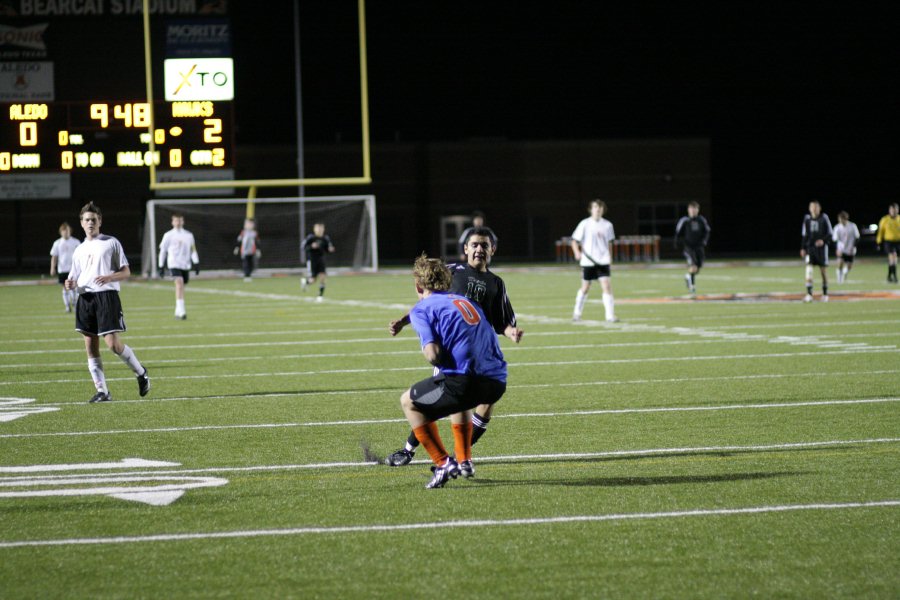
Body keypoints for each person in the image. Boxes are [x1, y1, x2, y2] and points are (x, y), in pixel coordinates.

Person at [386, 227, 523, 468]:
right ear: (465, 249)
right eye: (475, 244)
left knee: (482, 405)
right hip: (453, 352)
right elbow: (429, 300)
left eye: (484, 245)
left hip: (482, 351)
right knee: (437, 403)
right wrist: (404, 321)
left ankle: (460, 457)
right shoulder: (452, 272)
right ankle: (410, 449)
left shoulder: (496, 284)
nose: (479, 249)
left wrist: (511, 331)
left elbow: (502, 320)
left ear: (493, 250)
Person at [398, 253, 507, 489]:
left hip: (467, 381)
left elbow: (433, 355)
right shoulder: (465, 301)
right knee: (461, 402)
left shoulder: (421, 309)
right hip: (497, 382)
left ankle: (443, 463)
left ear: (418, 285)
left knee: (408, 401)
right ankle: (465, 460)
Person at [64, 202, 150, 403]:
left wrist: (110, 277)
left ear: (100, 221)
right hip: (85, 299)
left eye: (94, 219)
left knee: (112, 344)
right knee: (90, 346)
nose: (91, 223)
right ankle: (102, 391)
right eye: (87, 220)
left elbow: (127, 271)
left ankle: (141, 372)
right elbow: (74, 278)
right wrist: (70, 284)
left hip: (106, 297)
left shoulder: (111, 242)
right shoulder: (79, 249)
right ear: (82, 223)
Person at [570, 198, 618, 322]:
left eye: (600, 207)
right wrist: (577, 253)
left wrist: (610, 257)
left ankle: (610, 316)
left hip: (603, 261)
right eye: (596, 207)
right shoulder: (584, 224)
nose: (598, 209)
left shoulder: (608, 225)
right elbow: (574, 240)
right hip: (588, 261)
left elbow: (609, 243)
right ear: (591, 209)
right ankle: (577, 313)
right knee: (585, 287)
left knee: (606, 286)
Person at [158, 213, 200, 320]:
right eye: (176, 221)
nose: (178, 223)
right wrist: (161, 266)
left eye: (180, 220)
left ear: (183, 222)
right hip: (174, 264)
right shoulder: (168, 235)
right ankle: (182, 311)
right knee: (179, 283)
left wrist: (196, 263)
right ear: (172, 222)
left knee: (181, 286)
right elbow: (163, 251)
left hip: (185, 265)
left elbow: (193, 250)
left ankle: (177, 310)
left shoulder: (189, 235)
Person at [673, 201, 711, 295]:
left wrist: (704, 241)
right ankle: (692, 286)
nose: (693, 211)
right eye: (691, 209)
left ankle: (688, 276)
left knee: (698, 267)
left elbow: (707, 231)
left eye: (695, 209)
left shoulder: (701, 220)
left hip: (699, 246)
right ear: (688, 210)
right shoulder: (685, 220)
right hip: (688, 247)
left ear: (698, 210)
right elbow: (678, 232)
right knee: (693, 266)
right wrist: (676, 242)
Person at [800, 200, 833, 302]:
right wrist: (803, 248)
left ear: (819, 208)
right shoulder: (807, 219)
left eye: (816, 207)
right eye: (812, 207)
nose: (814, 209)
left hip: (822, 250)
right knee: (808, 270)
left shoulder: (824, 218)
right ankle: (809, 294)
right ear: (809, 208)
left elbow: (830, 233)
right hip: (810, 249)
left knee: (823, 271)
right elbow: (805, 235)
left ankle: (825, 294)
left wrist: (823, 241)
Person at [49, 222, 81, 312]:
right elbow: (54, 256)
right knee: (65, 288)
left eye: (67, 230)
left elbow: (81, 255)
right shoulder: (57, 243)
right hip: (62, 269)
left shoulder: (76, 242)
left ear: (70, 231)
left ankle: (74, 305)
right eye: (64, 231)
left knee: (74, 287)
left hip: (73, 269)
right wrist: (52, 268)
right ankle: (67, 307)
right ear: (61, 232)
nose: (66, 232)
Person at [301, 222, 335, 302]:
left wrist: (330, 249)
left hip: (321, 260)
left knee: (323, 277)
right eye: (318, 228)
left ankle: (320, 296)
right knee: (313, 280)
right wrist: (311, 246)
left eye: (321, 228)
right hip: (312, 260)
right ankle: (305, 282)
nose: (320, 230)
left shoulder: (325, 238)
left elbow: (327, 249)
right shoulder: (311, 238)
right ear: (314, 229)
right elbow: (303, 247)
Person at [832, 211, 860, 284]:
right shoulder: (837, 227)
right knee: (840, 263)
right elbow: (835, 240)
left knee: (849, 266)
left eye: (842, 219)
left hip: (850, 249)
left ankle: (844, 272)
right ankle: (839, 280)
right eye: (840, 219)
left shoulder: (852, 226)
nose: (841, 220)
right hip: (841, 249)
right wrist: (837, 249)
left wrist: (854, 246)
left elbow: (857, 237)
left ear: (846, 218)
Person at [875, 202, 900, 283]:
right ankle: (895, 277)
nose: (893, 211)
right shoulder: (885, 219)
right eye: (892, 209)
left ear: (897, 210)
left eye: (895, 209)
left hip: (898, 242)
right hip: (888, 242)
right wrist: (878, 242)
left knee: (893, 260)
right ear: (889, 210)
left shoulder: (899, 219)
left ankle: (889, 276)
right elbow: (880, 232)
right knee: (893, 257)